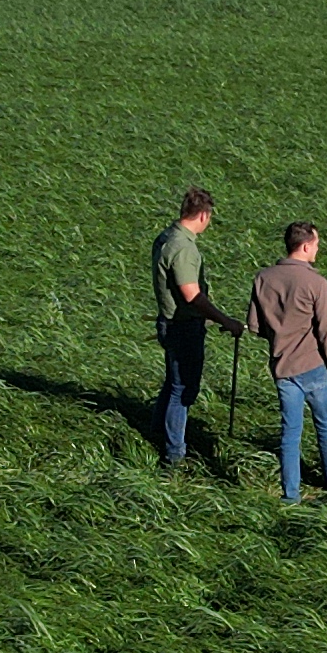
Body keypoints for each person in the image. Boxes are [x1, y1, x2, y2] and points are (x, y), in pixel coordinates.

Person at [247, 219, 327, 500]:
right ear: (305, 246)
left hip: (282, 368)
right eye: (316, 244)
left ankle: (291, 494)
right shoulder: (317, 282)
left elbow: (254, 326)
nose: (317, 249)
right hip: (314, 367)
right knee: (325, 425)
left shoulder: (263, 279)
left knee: (290, 434)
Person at [147, 187, 225, 470]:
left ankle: (157, 430)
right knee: (184, 390)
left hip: (169, 321)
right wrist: (223, 319)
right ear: (203, 215)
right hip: (183, 326)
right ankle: (174, 454)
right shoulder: (184, 248)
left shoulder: (167, 236)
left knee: (172, 382)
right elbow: (192, 295)